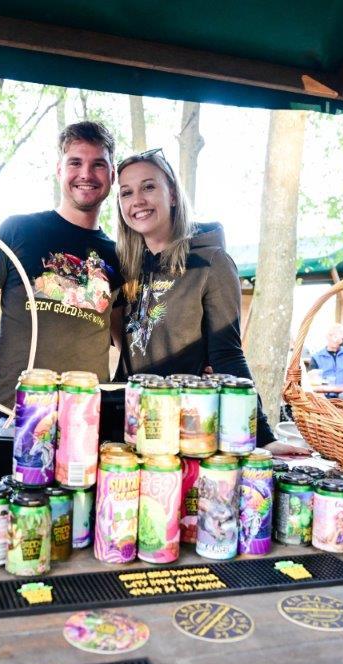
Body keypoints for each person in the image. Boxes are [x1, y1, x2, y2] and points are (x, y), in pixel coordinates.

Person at [115, 147, 307, 456]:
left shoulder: (212, 262)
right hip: (129, 426)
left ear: (172, 194)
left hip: (187, 432)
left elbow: (228, 355)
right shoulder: (128, 268)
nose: (137, 200)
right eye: (126, 192)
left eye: (148, 187)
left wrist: (263, 436)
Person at [0, 121, 124, 409]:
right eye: (75, 162)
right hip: (9, 413)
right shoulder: (17, 230)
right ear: (59, 170)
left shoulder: (118, 256)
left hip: (86, 417)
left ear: (112, 175)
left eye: (98, 164)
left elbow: (128, 341)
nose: (86, 174)